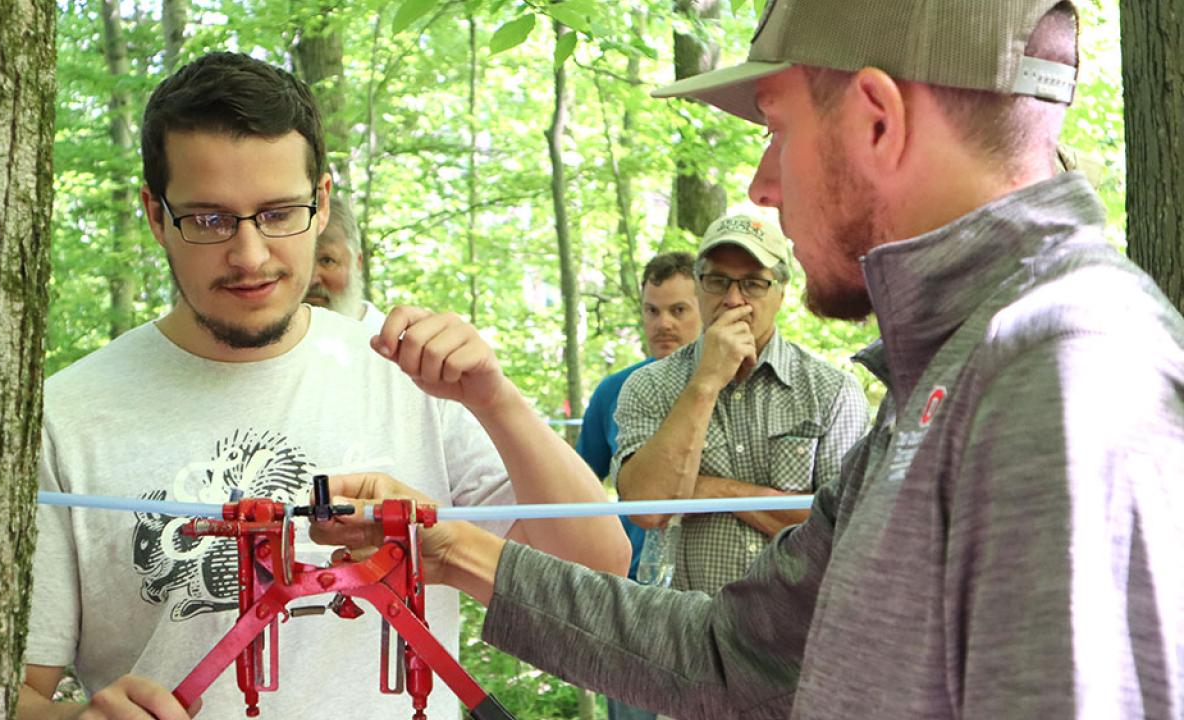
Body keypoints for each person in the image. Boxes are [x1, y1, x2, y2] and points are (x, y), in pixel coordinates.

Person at [314, 2, 1184, 718]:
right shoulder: (946, 373)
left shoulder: (1065, 374)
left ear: (878, 121)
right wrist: (446, 549)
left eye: (776, 127)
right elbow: (734, 658)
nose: (764, 182)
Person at [17, 52, 628, 720]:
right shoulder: (66, 416)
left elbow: (600, 573)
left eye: (280, 213)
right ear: (155, 214)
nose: (250, 256)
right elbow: (7, 688)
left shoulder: (414, 379)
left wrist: (496, 400)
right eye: (210, 220)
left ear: (323, 201)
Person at [615, 215, 868, 596]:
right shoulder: (649, 385)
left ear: (780, 293)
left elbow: (847, 529)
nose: (734, 299)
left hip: (793, 635)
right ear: (700, 289)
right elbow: (648, 508)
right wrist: (706, 382)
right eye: (718, 281)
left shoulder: (831, 392)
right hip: (686, 631)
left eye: (753, 283)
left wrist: (710, 491)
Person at [575, 251, 702, 720]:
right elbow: (575, 489)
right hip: (631, 604)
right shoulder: (615, 392)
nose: (663, 323)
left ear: (705, 309)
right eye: (652, 310)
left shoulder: (733, 388)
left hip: (714, 601)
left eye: (678, 310)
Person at [303, 193, 386, 332]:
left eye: (327, 261)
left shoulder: (392, 344)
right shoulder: (268, 347)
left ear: (358, 263)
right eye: (303, 261)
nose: (311, 279)